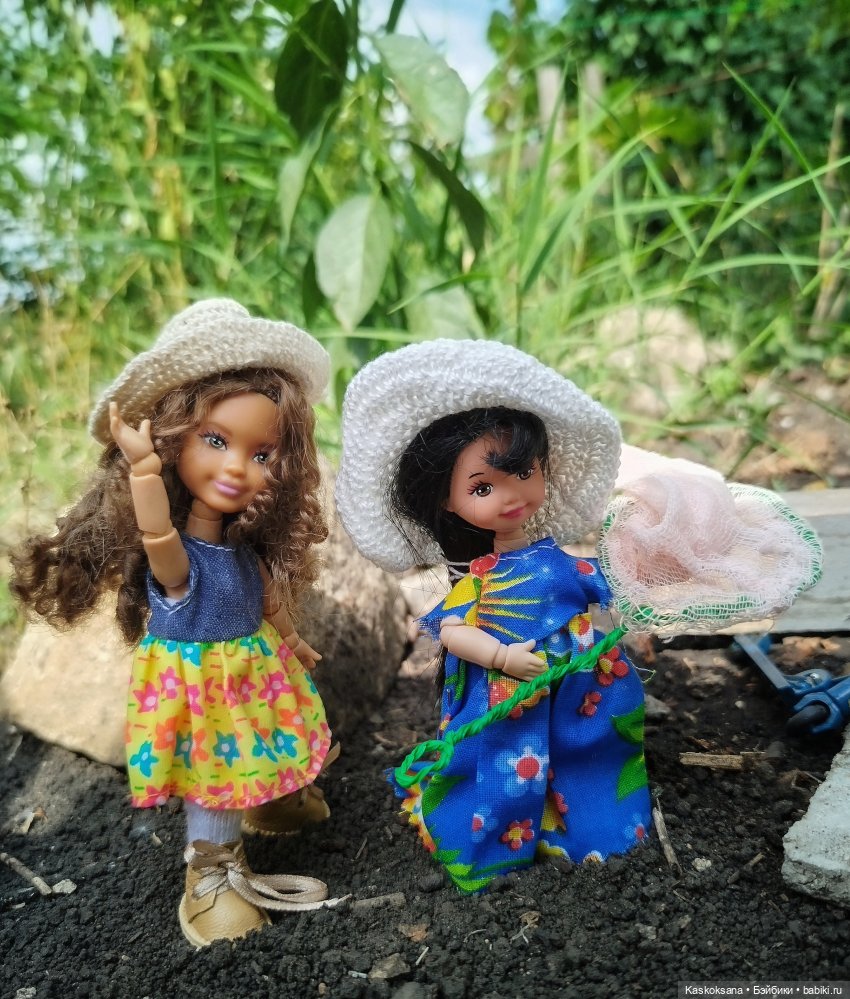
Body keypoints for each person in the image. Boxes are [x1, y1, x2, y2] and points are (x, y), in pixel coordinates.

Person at [334, 338, 822, 893]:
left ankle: (595, 831)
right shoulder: (479, 579)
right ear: (448, 502)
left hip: (584, 684)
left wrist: (662, 570)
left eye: (525, 472)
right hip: (508, 688)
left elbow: (610, 584)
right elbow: (451, 629)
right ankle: (492, 847)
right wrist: (500, 656)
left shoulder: (559, 561)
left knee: (592, 750)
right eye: (483, 487)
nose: (511, 496)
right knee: (498, 765)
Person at [12, 299, 340, 945]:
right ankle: (209, 872)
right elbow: (158, 533)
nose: (236, 467)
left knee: (275, 731)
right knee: (215, 776)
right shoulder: (178, 561)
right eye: (215, 441)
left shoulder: (244, 549)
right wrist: (142, 470)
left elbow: (267, 599)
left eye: (263, 453)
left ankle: (274, 798)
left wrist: (294, 639)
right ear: (172, 443)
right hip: (202, 691)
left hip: (255, 672)